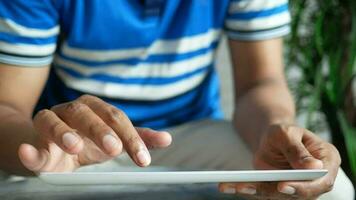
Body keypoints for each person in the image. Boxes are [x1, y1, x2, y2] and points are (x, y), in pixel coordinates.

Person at [0, 0, 354, 199]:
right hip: (78, 151)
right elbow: (6, 107)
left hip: (194, 131)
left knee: (328, 190)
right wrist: (39, 145)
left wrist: (277, 131)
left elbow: (260, 83)